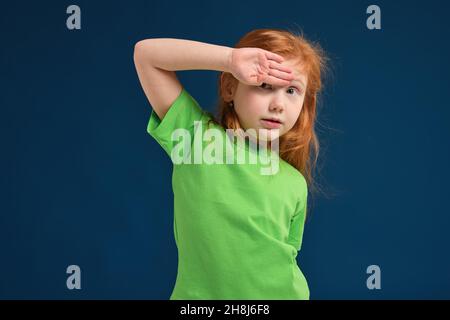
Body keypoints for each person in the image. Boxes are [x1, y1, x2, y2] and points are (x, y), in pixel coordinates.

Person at [133, 28, 328, 300]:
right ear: (229, 87)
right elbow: (146, 54)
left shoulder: (295, 183)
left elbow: (286, 255)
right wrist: (229, 59)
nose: (278, 105)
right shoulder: (195, 139)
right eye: (264, 85)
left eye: (292, 90)